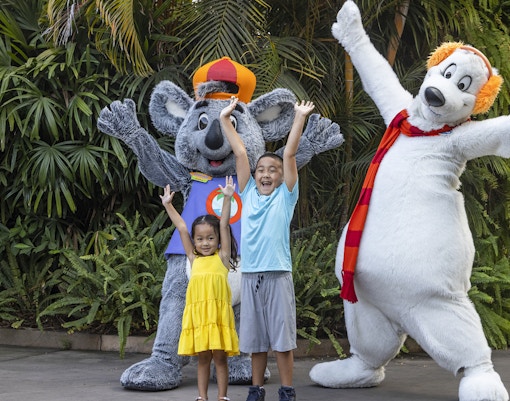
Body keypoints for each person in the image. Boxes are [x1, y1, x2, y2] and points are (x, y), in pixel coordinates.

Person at [220, 96, 315, 401]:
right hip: (250, 277)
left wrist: (299, 117)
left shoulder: (285, 196)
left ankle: (287, 392)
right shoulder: (247, 192)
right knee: (257, 342)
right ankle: (256, 390)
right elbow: (240, 151)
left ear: (280, 177)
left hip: (277, 275)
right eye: (261, 169)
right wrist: (224, 119)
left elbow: (288, 154)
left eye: (272, 170)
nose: (265, 173)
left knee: (283, 341)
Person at [160, 176, 240, 401]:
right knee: (203, 359)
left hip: (218, 318)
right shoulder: (193, 258)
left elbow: (224, 223)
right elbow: (182, 226)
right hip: (199, 318)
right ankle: (202, 397)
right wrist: (168, 204)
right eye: (200, 239)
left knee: (221, 359)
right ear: (194, 242)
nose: (205, 243)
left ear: (218, 240)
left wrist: (227, 198)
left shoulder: (223, 257)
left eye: (210, 238)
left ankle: (222, 397)